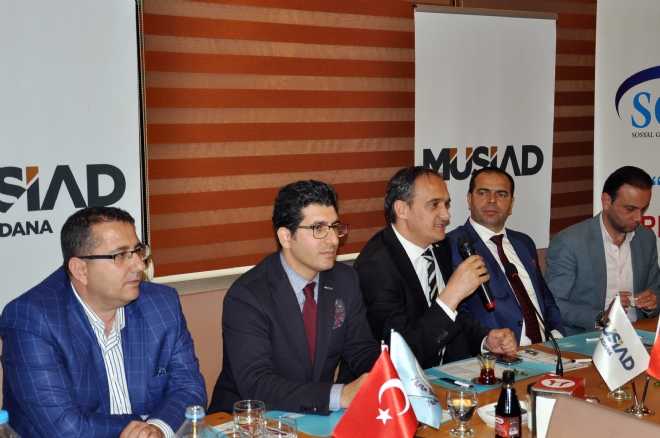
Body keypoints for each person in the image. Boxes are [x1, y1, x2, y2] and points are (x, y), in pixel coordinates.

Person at [0, 207, 206, 438]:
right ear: (81, 270)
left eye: (138, 251)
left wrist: (158, 428)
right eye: (121, 255)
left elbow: (189, 389)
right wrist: (143, 427)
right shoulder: (31, 319)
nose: (139, 265)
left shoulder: (161, 305)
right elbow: (65, 429)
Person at [208, 180, 379, 414]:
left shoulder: (344, 280)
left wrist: (388, 373)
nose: (333, 240)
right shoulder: (247, 296)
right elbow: (257, 384)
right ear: (286, 237)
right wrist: (339, 395)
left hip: (313, 415)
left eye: (335, 227)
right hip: (249, 418)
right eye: (319, 229)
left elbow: (360, 349)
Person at [354, 166, 517, 369]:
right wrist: (451, 295)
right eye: (434, 205)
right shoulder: (375, 267)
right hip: (398, 380)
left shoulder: (439, 246)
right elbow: (401, 354)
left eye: (446, 204)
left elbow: (454, 318)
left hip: (448, 372)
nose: (446, 215)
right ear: (402, 209)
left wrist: (485, 339)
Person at [446, 167, 563, 345]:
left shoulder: (524, 243)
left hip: (547, 349)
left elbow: (545, 298)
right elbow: (456, 312)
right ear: (469, 199)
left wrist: (557, 337)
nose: (492, 200)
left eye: (501, 194)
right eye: (483, 193)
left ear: (511, 204)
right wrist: (487, 341)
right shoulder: (452, 246)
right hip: (496, 353)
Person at [546, 166, 660, 334]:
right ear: (606, 201)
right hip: (588, 337)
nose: (638, 217)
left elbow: (656, 290)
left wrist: (652, 303)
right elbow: (553, 304)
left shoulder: (646, 238)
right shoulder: (570, 242)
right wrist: (601, 318)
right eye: (630, 209)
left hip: (638, 333)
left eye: (643, 209)